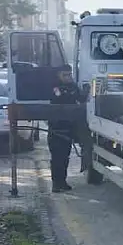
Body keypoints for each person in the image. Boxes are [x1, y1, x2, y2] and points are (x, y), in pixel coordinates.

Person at [48, 65, 85, 193]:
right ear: (59, 75)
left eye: (69, 75)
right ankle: (56, 183)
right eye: (65, 75)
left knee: (65, 157)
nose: (68, 77)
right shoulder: (54, 86)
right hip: (56, 129)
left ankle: (62, 182)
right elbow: (59, 97)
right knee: (57, 158)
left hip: (69, 128)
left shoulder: (73, 87)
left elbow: (81, 98)